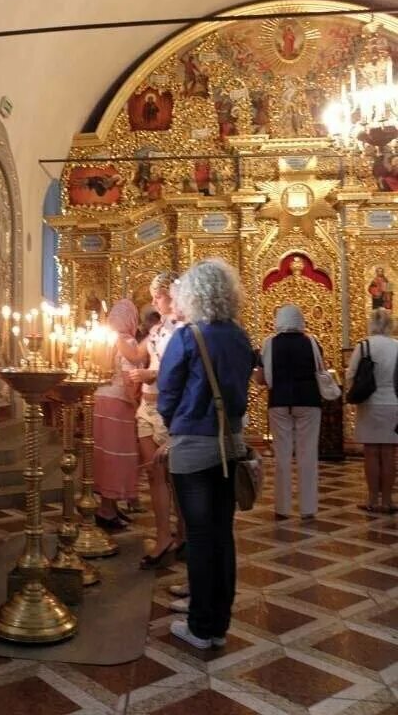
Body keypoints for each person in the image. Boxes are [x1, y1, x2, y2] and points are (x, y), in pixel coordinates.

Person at [157, 258, 253, 650]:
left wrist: (175, 421)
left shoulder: (188, 335)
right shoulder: (240, 336)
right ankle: (218, 623)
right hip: (230, 442)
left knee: (198, 536)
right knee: (222, 533)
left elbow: (167, 392)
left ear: (193, 295)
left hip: (194, 445)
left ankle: (199, 625)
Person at [119, 271, 185, 567]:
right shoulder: (157, 329)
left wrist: (151, 374)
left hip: (169, 408)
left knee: (177, 476)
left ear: (173, 295)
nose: (155, 301)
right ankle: (162, 535)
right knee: (154, 475)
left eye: (158, 295)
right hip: (146, 406)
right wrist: (116, 333)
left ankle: (184, 533)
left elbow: (180, 369)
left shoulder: (184, 329)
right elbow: (135, 354)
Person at [255, 304, 322, 519]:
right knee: (308, 454)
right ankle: (308, 508)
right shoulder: (311, 342)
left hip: (280, 401)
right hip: (309, 401)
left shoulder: (269, 343)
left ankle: (282, 508)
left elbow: (261, 378)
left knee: (282, 455)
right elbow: (320, 369)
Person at [93, 299, 142, 529]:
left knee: (106, 455)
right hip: (119, 404)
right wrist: (136, 403)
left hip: (100, 400)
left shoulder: (104, 339)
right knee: (117, 457)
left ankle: (110, 505)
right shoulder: (128, 342)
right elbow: (128, 377)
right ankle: (106, 511)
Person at [346, 308, 398, 513]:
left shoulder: (364, 345)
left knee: (371, 453)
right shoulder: (397, 346)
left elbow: (351, 374)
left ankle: (372, 500)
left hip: (369, 403)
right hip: (394, 402)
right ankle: (387, 500)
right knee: (389, 453)